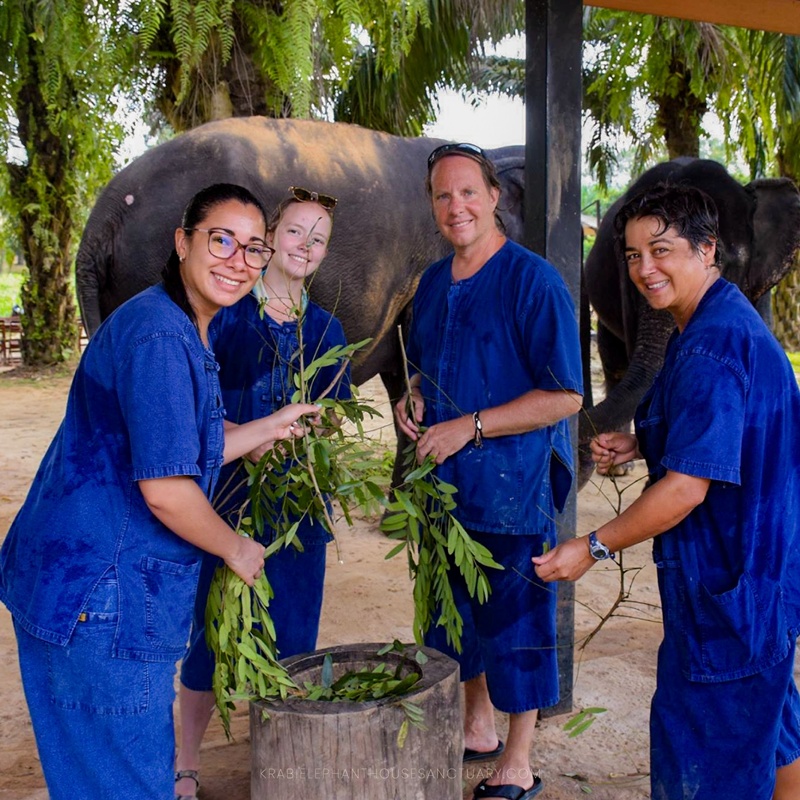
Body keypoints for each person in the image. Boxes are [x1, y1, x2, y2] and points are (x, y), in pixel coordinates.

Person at [0, 183, 318, 800]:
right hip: (102, 596)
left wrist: (267, 428)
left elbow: (175, 440)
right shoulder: (161, 338)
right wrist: (236, 548)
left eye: (253, 248)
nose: (238, 260)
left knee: (97, 778)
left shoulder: (172, 321)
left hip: (73, 585)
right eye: (221, 240)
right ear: (182, 242)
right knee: (128, 783)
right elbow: (167, 489)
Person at [532, 183, 800, 800]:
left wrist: (592, 547)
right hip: (762, 585)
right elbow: (732, 436)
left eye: (661, 250)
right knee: (771, 726)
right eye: (632, 255)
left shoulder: (709, 347)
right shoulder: (719, 319)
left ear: (707, 249)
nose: (644, 269)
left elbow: (684, 492)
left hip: (729, 590)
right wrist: (645, 443)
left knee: (708, 755)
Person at [394, 142, 583, 800]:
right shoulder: (432, 282)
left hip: (511, 487)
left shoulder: (534, 282)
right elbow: (426, 371)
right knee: (456, 616)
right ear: (432, 205)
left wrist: (468, 426)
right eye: (443, 195)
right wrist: (414, 399)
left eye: (469, 192)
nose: (457, 206)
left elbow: (565, 396)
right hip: (446, 489)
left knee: (516, 620)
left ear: (495, 197)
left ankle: (519, 760)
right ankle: (478, 727)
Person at [175, 186, 350, 799]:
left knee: (294, 641)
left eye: (319, 238)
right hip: (223, 504)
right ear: (270, 238)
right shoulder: (225, 315)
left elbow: (337, 414)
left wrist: (317, 431)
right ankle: (185, 764)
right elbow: (195, 412)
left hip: (298, 508)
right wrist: (251, 439)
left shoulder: (328, 329)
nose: (306, 245)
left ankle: (280, 766)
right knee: (208, 637)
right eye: (296, 231)